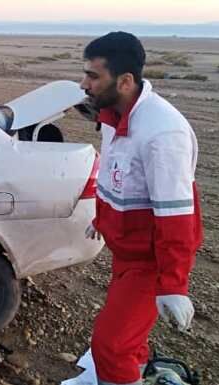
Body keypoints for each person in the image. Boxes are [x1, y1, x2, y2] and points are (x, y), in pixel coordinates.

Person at [79, 31, 203, 385]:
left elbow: (176, 215)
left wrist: (174, 285)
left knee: (111, 344)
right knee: (128, 342)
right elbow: (117, 175)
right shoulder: (114, 116)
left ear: (125, 80)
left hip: (151, 258)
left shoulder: (162, 133)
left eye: (92, 75)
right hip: (127, 249)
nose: (83, 83)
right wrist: (102, 218)